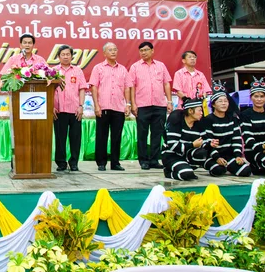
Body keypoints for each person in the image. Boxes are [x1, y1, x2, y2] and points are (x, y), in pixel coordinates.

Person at [128, 42, 173, 170]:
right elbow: (132, 86)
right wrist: (133, 104)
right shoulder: (135, 67)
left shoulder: (161, 66)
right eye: (141, 50)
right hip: (142, 105)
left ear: (152, 51)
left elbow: (166, 84)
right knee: (142, 134)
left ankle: (154, 160)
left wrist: (169, 101)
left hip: (159, 104)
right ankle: (143, 160)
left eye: (146, 50)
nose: (143, 52)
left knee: (157, 134)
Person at [89, 42, 131, 171]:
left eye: (115, 49)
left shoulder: (123, 69)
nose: (113, 52)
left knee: (116, 136)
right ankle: (101, 163)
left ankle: (115, 163)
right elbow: (94, 87)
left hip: (118, 107)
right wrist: (96, 105)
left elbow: (127, 87)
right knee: (101, 136)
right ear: (104, 53)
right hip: (103, 107)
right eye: (110, 50)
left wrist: (128, 104)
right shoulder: (98, 68)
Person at [202, 82, 251, 177]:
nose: (224, 103)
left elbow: (236, 139)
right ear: (213, 105)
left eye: (226, 101)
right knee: (218, 170)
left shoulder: (232, 119)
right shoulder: (208, 120)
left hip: (229, 155)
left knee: (246, 171)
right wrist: (216, 157)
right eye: (220, 101)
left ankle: (229, 165)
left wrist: (237, 155)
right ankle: (220, 165)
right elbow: (208, 141)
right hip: (212, 155)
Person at [53, 45, 88, 172]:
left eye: (68, 54)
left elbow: (82, 89)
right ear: (58, 56)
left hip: (75, 110)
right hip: (59, 110)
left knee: (75, 138)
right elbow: (49, 91)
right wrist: (51, 107)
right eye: (63, 54)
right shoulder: (53, 71)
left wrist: (81, 106)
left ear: (72, 56)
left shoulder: (78, 70)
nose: (66, 56)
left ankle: (74, 163)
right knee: (60, 138)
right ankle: (61, 163)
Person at [161, 96, 208, 180]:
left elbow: (204, 140)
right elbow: (172, 145)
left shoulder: (199, 123)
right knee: (186, 175)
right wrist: (192, 145)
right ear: (190, 111)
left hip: (187, 154)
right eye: (199, 110)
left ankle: (187, 168)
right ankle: (169, 172)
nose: (202, 113)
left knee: (202, 153)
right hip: (171, 155)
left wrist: (210, 143)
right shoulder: (176, 121)